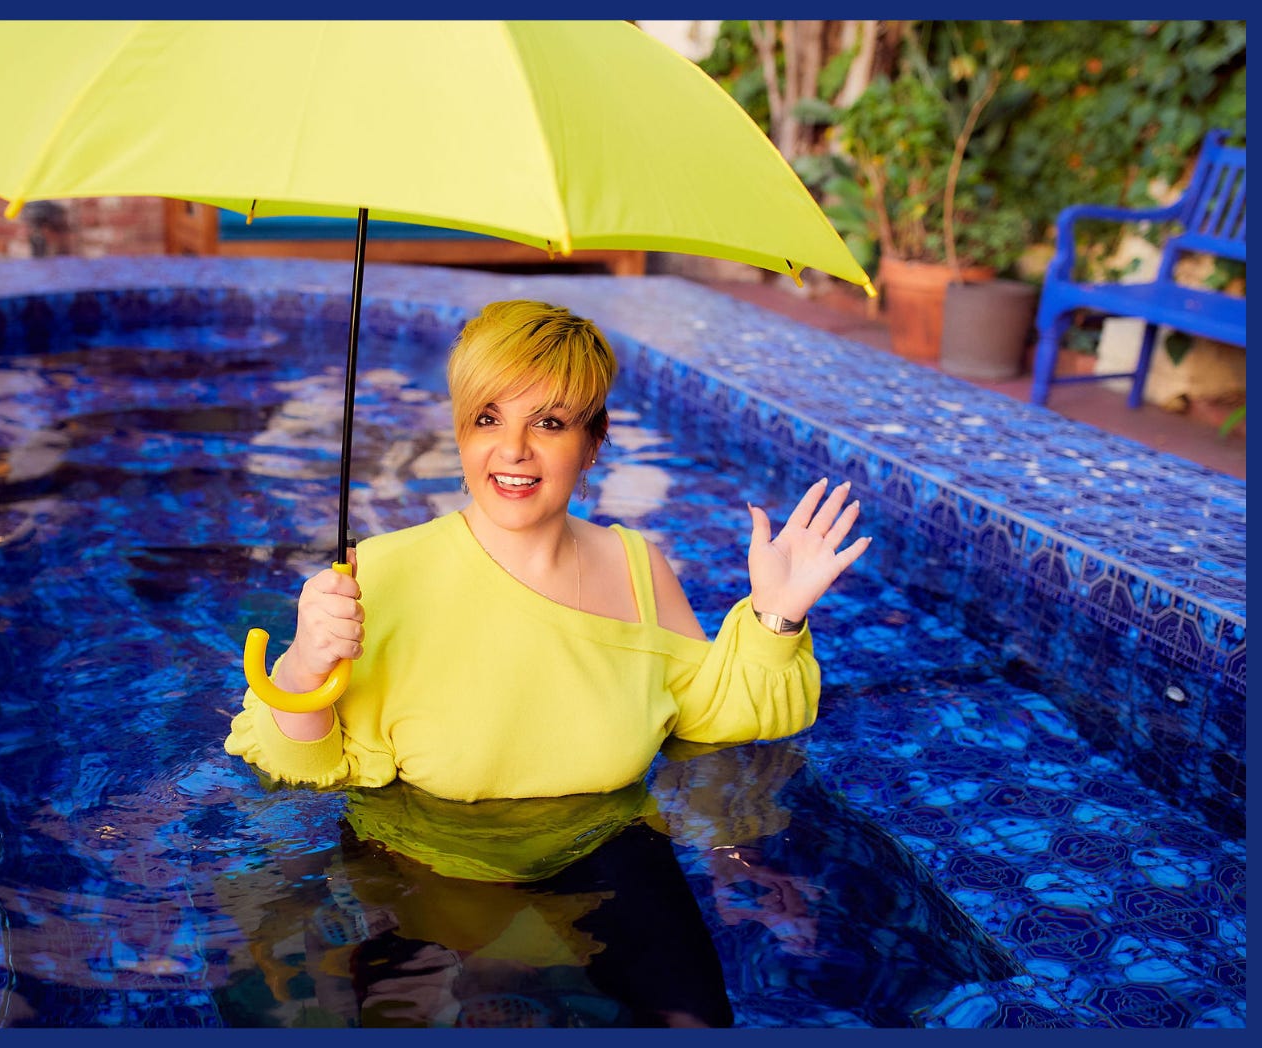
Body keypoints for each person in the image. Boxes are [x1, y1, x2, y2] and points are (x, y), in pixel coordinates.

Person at [225, 298, 871, 803]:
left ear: (592, 444)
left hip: (609, 889)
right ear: (459, 432)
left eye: (550, 423)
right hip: (427, 900)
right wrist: (307, 666)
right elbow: (303, 773)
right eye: (487, 418)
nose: (512, 450)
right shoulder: (382, 575)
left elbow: (709, 716)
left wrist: (775, 618)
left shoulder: (637, 569)